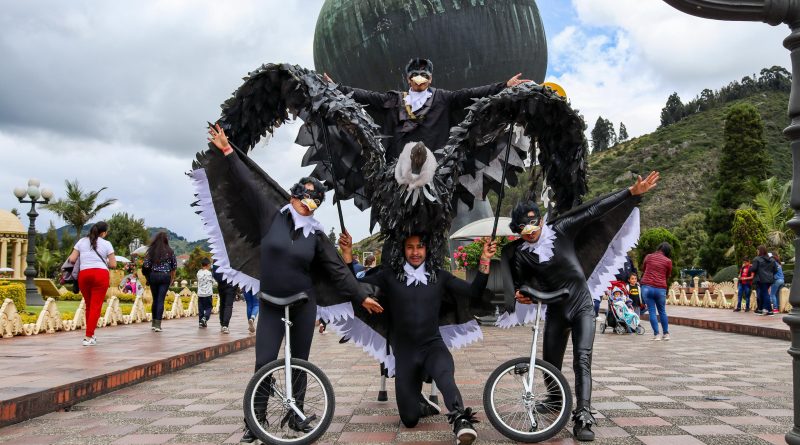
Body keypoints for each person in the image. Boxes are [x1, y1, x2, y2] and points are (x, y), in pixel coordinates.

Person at [208, 124, 382, 443]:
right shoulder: (271, 216)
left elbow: (338, 272)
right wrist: (227, 150)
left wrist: (360, 297)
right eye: (304, 198)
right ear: (293, 195)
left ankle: (297, 416)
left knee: (299, 363)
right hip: (272, 304)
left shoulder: (315, 234)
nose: (308, 204)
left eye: (314, 201)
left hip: (303, 304)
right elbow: (248, 185)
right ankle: (254, 421)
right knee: (264, 362)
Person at [505, 171, 659, 441]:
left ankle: (584, 414)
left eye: (532, 227)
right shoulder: (520, 255)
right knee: (550, 362)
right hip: (555, 309)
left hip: (581, 306)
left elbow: (594, 210)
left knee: (582, 360)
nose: (529, 234)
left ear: (540, 221)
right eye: (522, 231)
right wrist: (522, 295)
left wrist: (629, 193)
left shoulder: (560, 231)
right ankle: (554, 399)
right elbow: (520, 284)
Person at [340, 231, 496, 445]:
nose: (415, 252)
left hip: (433, 347)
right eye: (410, 247)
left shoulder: (439, 276)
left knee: (445, 378)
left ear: (427, 249)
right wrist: (347, 254)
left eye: (420, 246)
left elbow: (474, 292)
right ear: (403, 250)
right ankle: (423, 404)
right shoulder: (389, 276)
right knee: (409, 419)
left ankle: (461, 420)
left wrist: (485, 260)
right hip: (405, 354)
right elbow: (355, 287)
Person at [324, 58, 530, 161]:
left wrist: (504, 85)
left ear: (430, 78)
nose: (420, 78)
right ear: (408, 78)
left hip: (436, 166)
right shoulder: (394, 100)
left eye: (424, 75)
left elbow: (470, 93)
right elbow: (365, 96)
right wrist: (337, 89)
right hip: (399, 166)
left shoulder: (443, 98)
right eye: (415, 75)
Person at [68, 221, 116, 346]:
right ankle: (88, 336)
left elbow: (72, 259)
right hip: (100, 275)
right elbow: (113, 264)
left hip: (84, 275)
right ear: (103, 233)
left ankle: (91, 334)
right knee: (96, 306)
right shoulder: (107, 244)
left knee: (89, 305)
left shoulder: (81, 241)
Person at [142, 231, 177, 332]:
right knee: (161, 300)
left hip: (154, 276)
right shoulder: (170, 251)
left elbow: (146, 265)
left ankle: (153, 323)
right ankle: (158, 324)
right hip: (165, 276)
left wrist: (148, 275)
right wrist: (172, 278)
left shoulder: (151, 250)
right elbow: (174, 267)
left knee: (155, 299)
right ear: (166, 239)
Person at [641, 242, 673, 341]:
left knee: (652, 311)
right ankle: (666, 334)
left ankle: (657, 335)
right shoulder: (668, 261)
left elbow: (644, 269)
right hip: (660, 288)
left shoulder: (648, 256)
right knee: (662, 311)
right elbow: (668, 275)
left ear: (658, 248)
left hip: (647, 287)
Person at [751, 245, 777, 316]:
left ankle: (770, 311)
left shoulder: (757, 259)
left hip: (761, 279)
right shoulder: (772, 259)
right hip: (769, 279)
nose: (756, 251)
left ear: (759, 251)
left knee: (765, 294)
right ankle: (760, 309)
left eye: (757, 250)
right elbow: (775, 270)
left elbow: (753, 269)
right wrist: (770, 274)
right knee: (762, 294)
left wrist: (751, 267)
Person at [211, 264, 236, 333]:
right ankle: (225, 325)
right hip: (232, 284)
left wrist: (220, 280)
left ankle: (222, 324)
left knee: (222, 303)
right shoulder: (234, 258)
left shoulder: (218, 257)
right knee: (228, 305)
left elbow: (214, 273)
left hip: (221, 284)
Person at [196, 258, 214, 328]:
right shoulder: (209, 273)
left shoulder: (198, 273)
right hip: (208, 294)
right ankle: (205, 318)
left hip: (200, 294)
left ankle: (201, 322)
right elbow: (213, 281)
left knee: (201, 308)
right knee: (209, 307)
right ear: (208, 265)